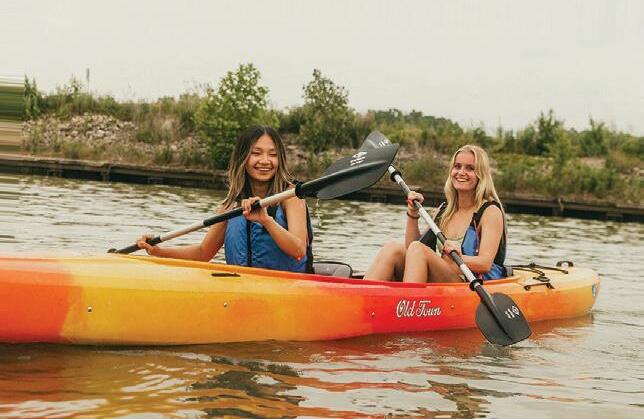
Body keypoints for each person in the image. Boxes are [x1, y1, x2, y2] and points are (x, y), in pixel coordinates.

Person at [136, 125, 312, 272]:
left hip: (286, 288)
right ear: (243, 158)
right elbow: (203, 253)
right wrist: (158, 252)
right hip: (242, 287)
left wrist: (266, 221)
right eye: (256, 153)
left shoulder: (291, 196)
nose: (265, 161)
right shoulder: (230, 206)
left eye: (273, 155)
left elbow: (298, 250)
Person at [364, 144, 506, 283]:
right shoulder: (445, 210)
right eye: (457, 166)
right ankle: (362, 294)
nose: (461, 172)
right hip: (439, 277)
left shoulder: (490, 212)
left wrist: (458, 258)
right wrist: (413, 213)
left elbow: (485, 263)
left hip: (468, 282)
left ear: (481, 175)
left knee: (419, 250)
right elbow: (412, 248)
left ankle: (409, 297)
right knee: (392, 249)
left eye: (470, 168)